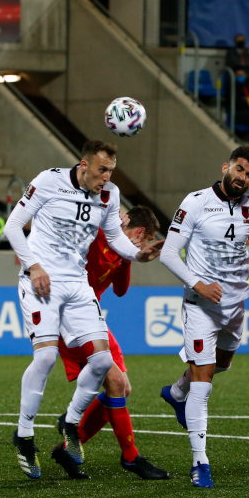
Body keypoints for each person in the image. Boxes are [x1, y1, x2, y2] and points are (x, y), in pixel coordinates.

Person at [2, 140, 163, 480]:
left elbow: (115, 238)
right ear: (84, 165)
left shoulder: (109, 195)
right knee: (45, 358)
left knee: (104, 361)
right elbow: (13, 226)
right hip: (42, 280)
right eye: (102, 170)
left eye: (111, 171)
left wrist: (138, 254)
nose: (106, 177)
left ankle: (71, 424)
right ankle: (24, 434)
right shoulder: (49, 180)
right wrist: (33, 266)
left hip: (77, 284)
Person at [158, 145, 249, 488]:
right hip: (200, 305)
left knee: (222, 364)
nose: (243, 178)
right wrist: (198, 284)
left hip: (236, 305)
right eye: (240, 170)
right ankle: (200, 462)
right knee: (204, 383)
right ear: (226, 166)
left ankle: (176, 392)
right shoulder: (195, 202)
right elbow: (169, 253)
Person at [50, 205, 169, 481]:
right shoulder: (98, 234)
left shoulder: (122, 251)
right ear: (140, 232)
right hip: (71, 316)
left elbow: (120, 290)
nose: (145, 245)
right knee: (115, 383)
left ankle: (69, 444)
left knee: (123, 388)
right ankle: (130, 457)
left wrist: (131, 258)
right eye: (146, 239)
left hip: (93, 316)